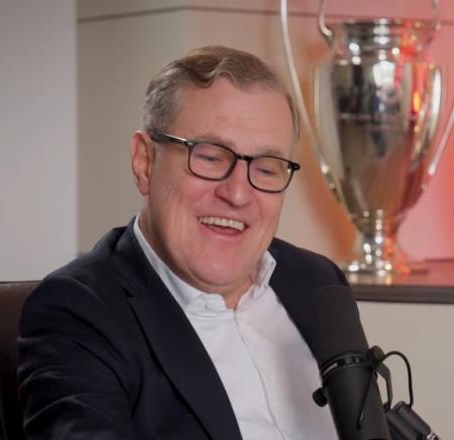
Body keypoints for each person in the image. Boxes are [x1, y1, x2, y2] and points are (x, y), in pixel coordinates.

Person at [18, 46, 346, 439]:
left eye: (265, 168)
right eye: (209, 157)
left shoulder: (318, 282)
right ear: (144, 162)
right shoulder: (77, 312)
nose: (237, 194)